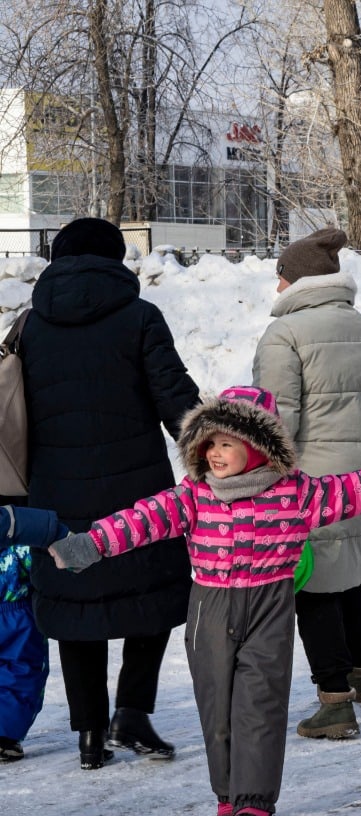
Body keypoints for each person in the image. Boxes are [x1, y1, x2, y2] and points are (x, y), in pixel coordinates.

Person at [48, 386, 361, 816]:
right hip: (210, 609)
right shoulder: (194, 495)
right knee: (217, 708)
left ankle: (253, 803)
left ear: (256, 446)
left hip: (268, 607)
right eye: (209, 443)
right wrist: (93, 543)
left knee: (260, 705)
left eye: (226, 443)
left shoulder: (295, 493)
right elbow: (142, 519)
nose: (214, 453)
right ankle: (227, 796)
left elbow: (356, 488)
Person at [22, 217, 200, 769]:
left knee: (76, 607)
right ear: (115, 259)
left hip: (55, 493)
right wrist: (215, 456)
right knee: (150, 599)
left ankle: (90, 735)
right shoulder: (140, 316)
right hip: (137, 491)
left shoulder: (29, 326)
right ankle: (132, 714)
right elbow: (177, 399)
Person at [253, 227, 361, 739]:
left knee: (312, 582)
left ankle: (334, 700)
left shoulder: (285, 335)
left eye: (280, 278)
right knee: (354, 570)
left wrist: (262, 477)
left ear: (293, 283)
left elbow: (275, 421)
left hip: (311, 483)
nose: (275, 289)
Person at [0, 504, 64, 762]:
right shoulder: (20, 530)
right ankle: (5, 736)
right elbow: (38, 561)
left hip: (16, 610)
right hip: (17, 613)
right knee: (23, 670)